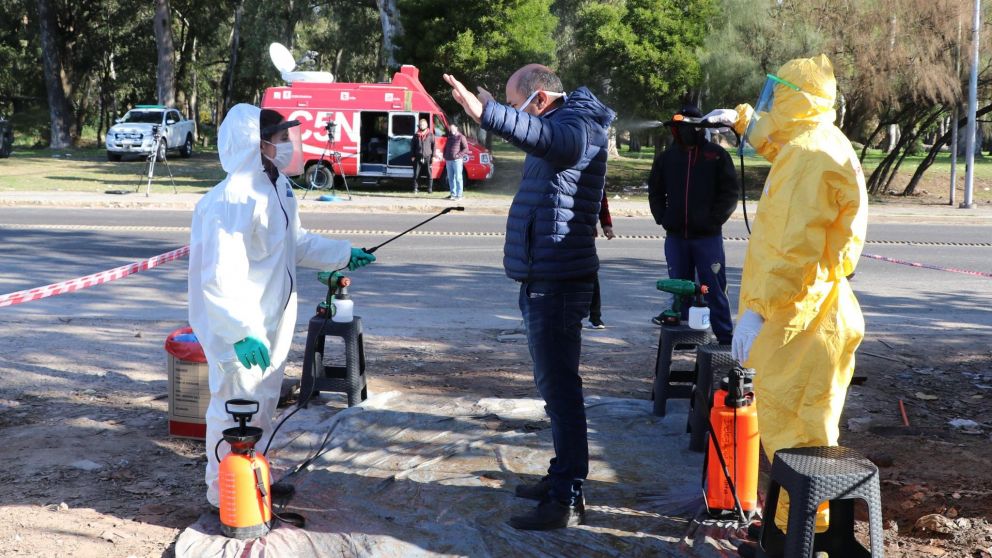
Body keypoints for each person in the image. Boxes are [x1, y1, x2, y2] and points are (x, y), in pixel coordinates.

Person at [704, 54, 868, 543]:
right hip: (813, 311)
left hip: (800, 318)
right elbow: (781, 143)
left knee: (796, 437)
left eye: (778, 95)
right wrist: (743, 122)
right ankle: (790, 532)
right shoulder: (813, 141)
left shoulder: (809, 159)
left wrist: (757, 311)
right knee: (801, 432)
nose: (772, 102)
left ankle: (798, 538)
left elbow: (790, 250)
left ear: (797, 98)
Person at [444, 64, 615, 530]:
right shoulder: (565, 122)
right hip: (547, 277)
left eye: (515, 101)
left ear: (538, 101)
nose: (513, 111)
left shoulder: (572, 126)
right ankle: (562, 474)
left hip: (557, 283)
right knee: (555, 389)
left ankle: (566, 497)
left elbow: (559, 144)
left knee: (562, 393)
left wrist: (491, 114)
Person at [187, 104, 377, 509]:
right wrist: (239, 333)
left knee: (263, 404)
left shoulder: (276, 186)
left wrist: (343, 253)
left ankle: (255, 479)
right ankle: (225, 496)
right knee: (234, 408)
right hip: (240, 327)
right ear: (259, 144)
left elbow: (297, 242)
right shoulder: (232, 201)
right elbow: (218, 278)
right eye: (282, 137)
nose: (289, 144)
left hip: (269, 321)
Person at [647, 104, 739, 344]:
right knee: (680, 288)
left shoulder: (716, 156)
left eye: (685, 127)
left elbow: (729, 194)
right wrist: (663, 218)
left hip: (707, 238)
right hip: (676, 237)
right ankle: (685, 338)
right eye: (677, 128)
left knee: (713, 288)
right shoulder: (667, 158)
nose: (680, 132)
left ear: (699, 129)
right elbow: (655, 192)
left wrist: (713, 220)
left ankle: (725, 337)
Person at [588, 191, 615, 329]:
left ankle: (595, 316)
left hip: (586, 233)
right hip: (559, 232)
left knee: (591, 273)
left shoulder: (593, 170)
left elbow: (601, 198)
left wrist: (606, 224)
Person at [443, 123, 469, 200]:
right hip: (449, 160)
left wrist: (458, 155)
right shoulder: (449, 137)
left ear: (456, 128)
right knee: (450, 178)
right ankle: (453, 194)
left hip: (457, 161)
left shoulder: (461, 137)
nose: (452, 130)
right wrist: (445, 155)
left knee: (458, 178)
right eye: (451, 128)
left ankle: (459, 195)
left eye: (453, 128)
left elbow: (465, 149)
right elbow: (446, 147)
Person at [412, 117, 436, 194]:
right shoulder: (416, 135)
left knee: (429, 173)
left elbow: (434, 146)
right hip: (417, 156)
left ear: (426, 125)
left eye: (423, 124)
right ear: (419, 125)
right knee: (416, 174)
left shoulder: (431, 135)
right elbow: (412, 146)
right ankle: (415, 188)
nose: (422, 126)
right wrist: (412, 156)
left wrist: (434, 156)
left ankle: (429, 189)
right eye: (421, 125)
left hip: (428, 157)